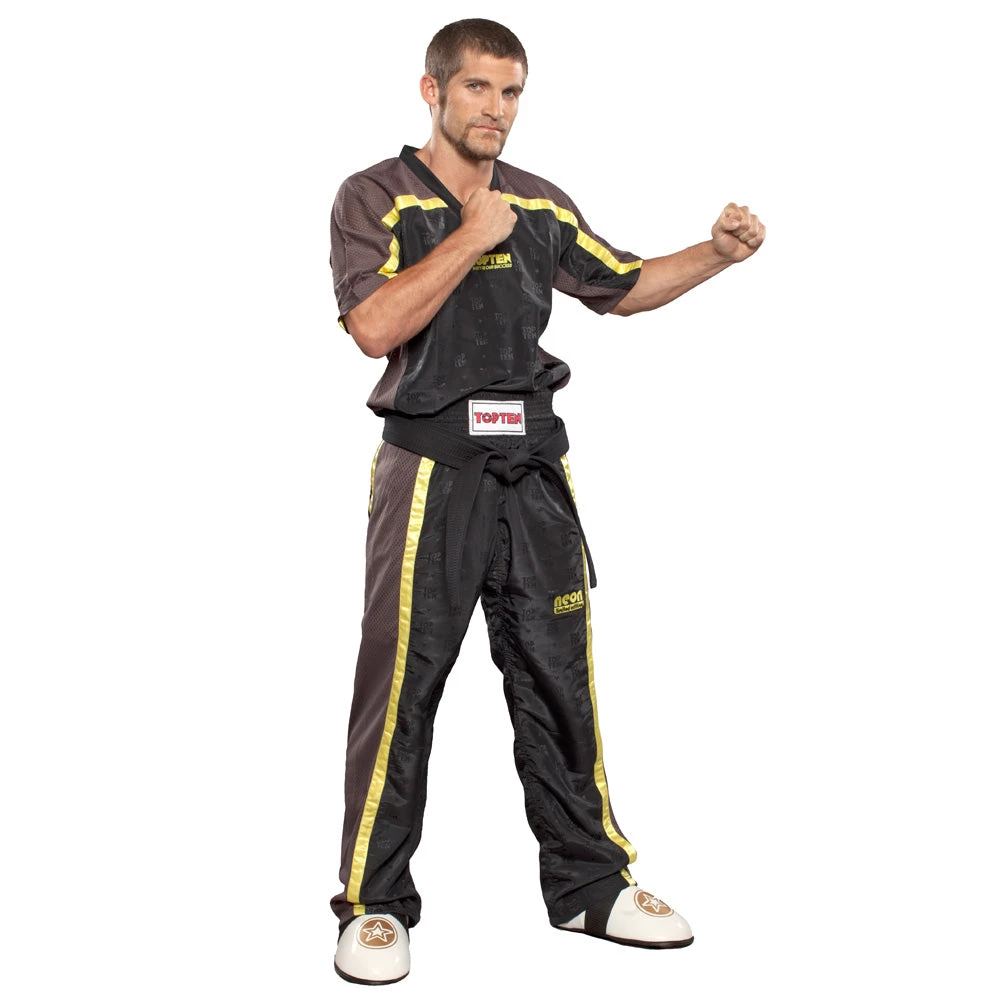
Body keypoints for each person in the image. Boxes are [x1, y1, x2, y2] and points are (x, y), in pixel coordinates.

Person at [328, 18, 765, 986]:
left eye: (512, 91)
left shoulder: (538, 201)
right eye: (477, 88)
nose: (497, 109)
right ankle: (374, 902)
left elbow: (623, 285)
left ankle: (589, 885)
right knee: (401, 687)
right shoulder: (376, 195)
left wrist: (716, 253)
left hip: (533, 468)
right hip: (430, 469)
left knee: (560, 675)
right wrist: (470, 236)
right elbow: (373, 326)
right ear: (433, 91)